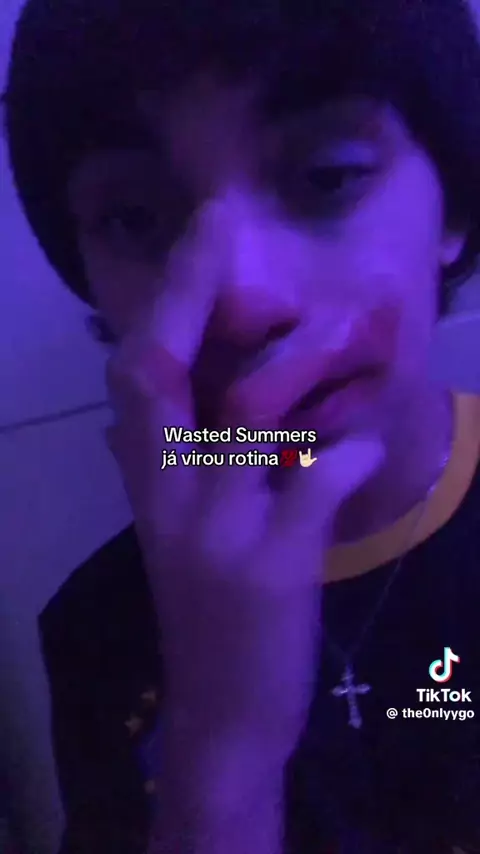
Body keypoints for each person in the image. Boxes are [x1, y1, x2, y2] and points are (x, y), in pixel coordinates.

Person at [4, 0, 480, 851]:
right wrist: (220, 748)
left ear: (453, 209)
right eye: (136, 220)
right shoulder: (97, 627)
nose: (244, 303)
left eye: (328, 178)